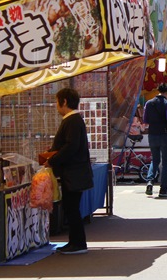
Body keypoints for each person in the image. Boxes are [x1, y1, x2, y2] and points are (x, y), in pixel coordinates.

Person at [47, 88, 94, 255]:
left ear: (64, 101)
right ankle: (74, 242)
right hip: (72, 172)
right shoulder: (73, 119)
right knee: (70, 207)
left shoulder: (72, 120)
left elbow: (71, 146)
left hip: (73, 172)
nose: (55, 105)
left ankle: (78, 243)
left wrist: (53, 158)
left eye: (57, 101)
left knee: (72, 208)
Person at [143, 83, 167, 197]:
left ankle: (149, 181)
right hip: (164, 135)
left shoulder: (148, 103)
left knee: (155, 160)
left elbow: (145, 119)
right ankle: (163, 189)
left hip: (152, 135)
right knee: (166, 162)